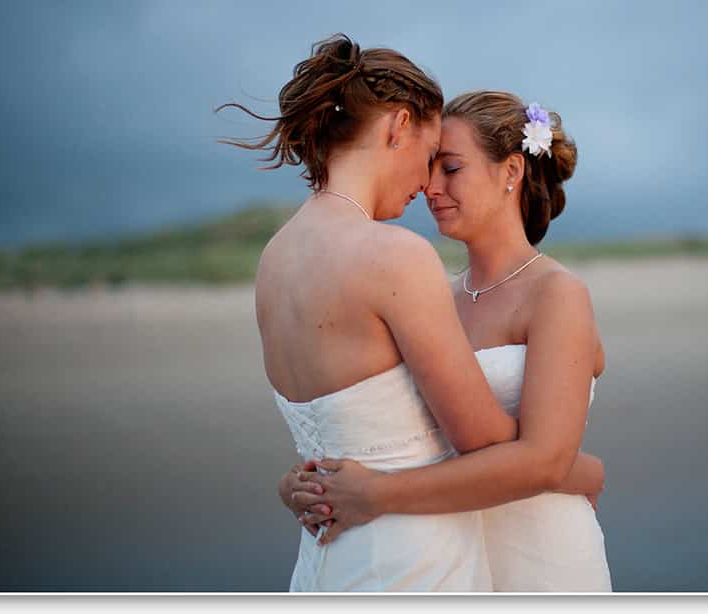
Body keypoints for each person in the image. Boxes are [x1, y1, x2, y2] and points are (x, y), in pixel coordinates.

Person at [218, 35, 603, 592]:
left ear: (511, 171)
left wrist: (311, 482)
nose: (427, 185)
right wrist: (581, 469)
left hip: (341, 554)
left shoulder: (274, 256)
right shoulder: (398, 260)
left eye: (448, 168)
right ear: (398, 127)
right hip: (407, 556)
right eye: (429, 161)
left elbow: (347, 420)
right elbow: (474, 439)